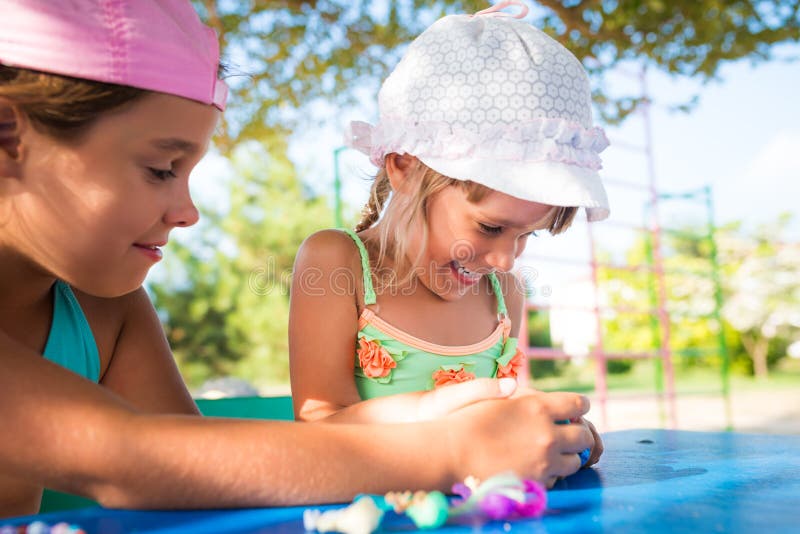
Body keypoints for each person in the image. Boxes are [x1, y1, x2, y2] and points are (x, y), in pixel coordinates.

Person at [0, 0, 594, 519]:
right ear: (8, 137)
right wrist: (455, 452)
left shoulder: (109, 312)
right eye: (160, 169)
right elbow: (133, 460)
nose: (188, 212)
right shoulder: (340, 264)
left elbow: (196, 469)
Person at [289, 1, 607, 457]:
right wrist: (437, 418)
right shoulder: (337, 265)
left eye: (526, 235)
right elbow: (317, 425)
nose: (504, 260)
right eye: (490, 226)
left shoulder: (504, 294)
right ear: (404, 167)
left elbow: (503, 413)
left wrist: (550, 426)